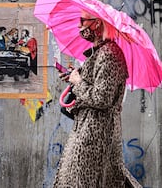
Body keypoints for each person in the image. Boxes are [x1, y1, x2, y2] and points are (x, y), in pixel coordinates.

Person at [53, 11, 142, 187]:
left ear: (97, 24)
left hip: (96, 136)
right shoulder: (99, 53)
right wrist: (76, 76)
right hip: (88, 131)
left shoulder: (109, 54)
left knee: (89, 181)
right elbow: (94, 88)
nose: (79, 26)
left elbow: (102, 98)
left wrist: (78, 82)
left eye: (82, 21)